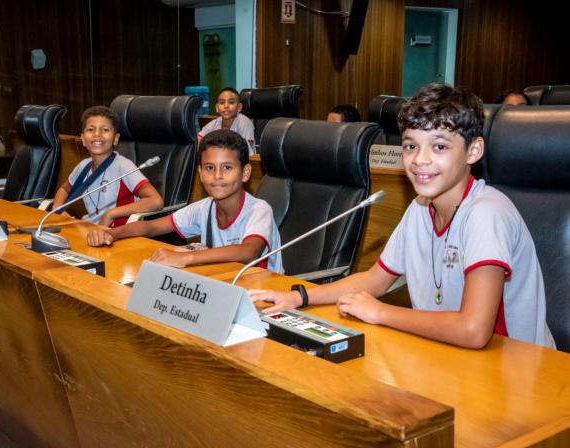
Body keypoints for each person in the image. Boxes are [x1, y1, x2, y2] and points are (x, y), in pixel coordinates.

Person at [251, 83, 555, 349]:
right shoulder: (421, 208)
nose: (420, 160)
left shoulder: (487, 213)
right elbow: (375, 280)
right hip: (448, 353)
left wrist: (381, 313)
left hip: (515, 367)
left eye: (439, 146)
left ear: (473, 151)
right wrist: (300, 298)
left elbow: (474, 331)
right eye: (411, 146)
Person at [86, 129, 283, 273]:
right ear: (200, 173)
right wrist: (112, 234)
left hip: (264, 289)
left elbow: (248, 251)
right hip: (226, 283)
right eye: (209, 168)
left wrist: (186, 257)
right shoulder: (204, 208)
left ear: (245, 173)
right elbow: (152, 227)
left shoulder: (258, 209)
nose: (217, 176)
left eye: (227, 168)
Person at [52, 106, 163, 227]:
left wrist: (111, 213)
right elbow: (64, 190)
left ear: (116, 139)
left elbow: (156, 201)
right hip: (89, 228)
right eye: (90, 129)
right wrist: (58, 207)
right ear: (83, 139)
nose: (97, 134)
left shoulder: (123, 166)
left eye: (105, 130)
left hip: (117, 232)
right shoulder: (83, 167)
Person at [197, 87, 255, 155]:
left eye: (231, 102)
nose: (226, 106)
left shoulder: (245, 122)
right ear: (217, 108)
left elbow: (245, 150)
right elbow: (199, 139)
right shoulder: (214, 123)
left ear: (239, 107)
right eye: (222, 103)